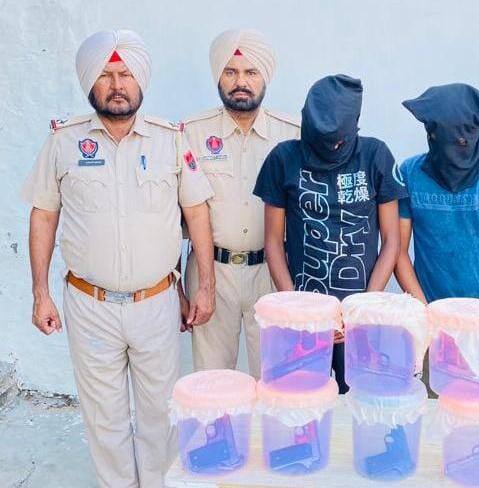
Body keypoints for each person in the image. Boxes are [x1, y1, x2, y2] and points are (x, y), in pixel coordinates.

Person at [21, 30, 215, 487]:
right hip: (90, 306)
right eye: (106, 76)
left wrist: (204, 286)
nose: (116, 85)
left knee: (160, 414)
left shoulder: (170, 140)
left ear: (140, 80)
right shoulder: (63, 142)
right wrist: (40, 292)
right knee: (103, 418)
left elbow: (196, 212)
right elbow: (44, 215)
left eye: (125, 74)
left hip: (156, 303)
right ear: (90, 82)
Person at [254, 74, 406, 393]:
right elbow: (273, 242)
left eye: (338, 142)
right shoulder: (283, 159)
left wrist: (361, 311)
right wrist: (299, 313)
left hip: (360, 317)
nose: (330, 149)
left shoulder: (375, 156)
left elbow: (392, 241)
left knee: (359, 402)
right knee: (304, 405)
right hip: (303, 322)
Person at [394, 83, 479, 391]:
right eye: (447, 142)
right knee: (432, 414)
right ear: (431, 135)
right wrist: (427, 314)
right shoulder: (410, 173)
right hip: (431, 330)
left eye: (463, 140)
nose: (456, 150)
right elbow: (398, 251)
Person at [182, 29, 300, 376]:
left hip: (273, 271)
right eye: (230, 72)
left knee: (276, 379)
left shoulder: (292, 133)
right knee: (213, 380)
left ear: (265, 77)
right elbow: (171, 212)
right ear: (218, 76)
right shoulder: (191, 133)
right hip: (211, 271)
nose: (241, 82)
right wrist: (177, 286)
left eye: (251, 72)